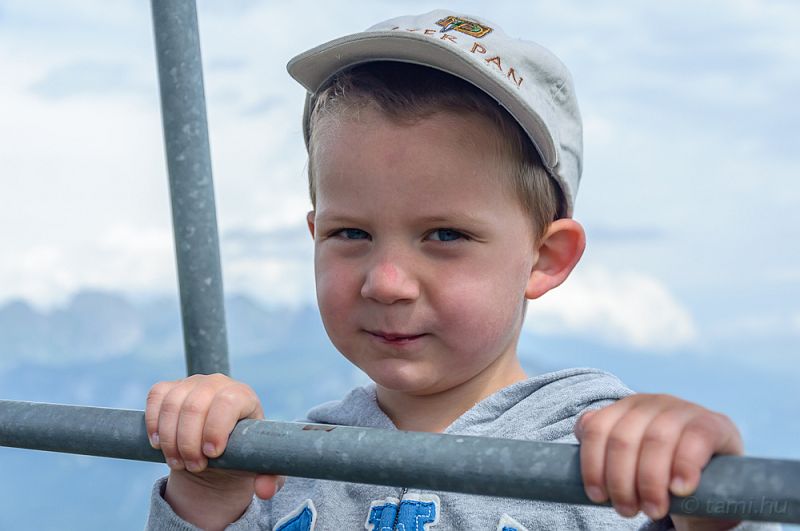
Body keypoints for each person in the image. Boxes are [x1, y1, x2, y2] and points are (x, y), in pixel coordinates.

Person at [144, 10, 776, 531]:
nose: (386, 282)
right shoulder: (282, 471)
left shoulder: (606, 468)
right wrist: (207, 496)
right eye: (351, 233)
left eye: (445, 235)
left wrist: (710, 500)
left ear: (545, 258)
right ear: (315, 236)